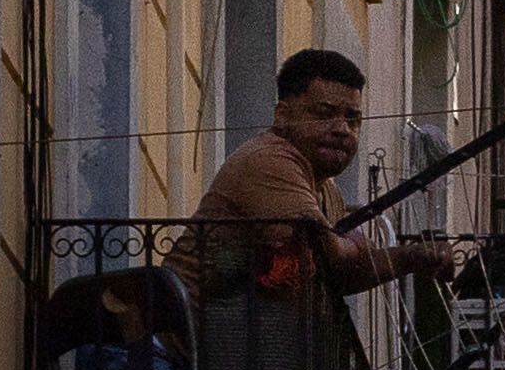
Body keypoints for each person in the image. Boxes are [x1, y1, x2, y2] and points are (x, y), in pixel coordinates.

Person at [190, 47, 468, 294]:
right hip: (175, 341)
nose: (341, 129)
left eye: (352, 119)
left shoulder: (326, 189)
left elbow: (343, 274)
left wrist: (412, 256)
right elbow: (326, 249)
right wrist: (359, 244)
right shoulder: (269, 160)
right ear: (282, 116)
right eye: (323, 113)